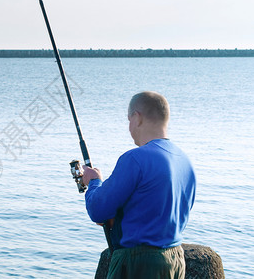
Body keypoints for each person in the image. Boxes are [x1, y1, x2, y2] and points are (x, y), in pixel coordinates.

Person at [82, 91, 196, 279]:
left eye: (129, 120)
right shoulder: (185, 161)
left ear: (137, 117)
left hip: (138, 263)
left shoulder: (135, 159)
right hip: (175, 260)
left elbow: (98, 209)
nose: (129, 127)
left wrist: (94, 182)